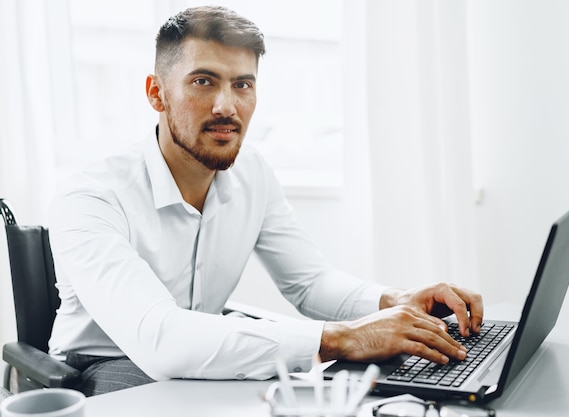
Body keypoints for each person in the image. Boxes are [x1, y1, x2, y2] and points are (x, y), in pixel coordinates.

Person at [48, 5, 483, 397]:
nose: (226, 106)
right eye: (203, 81)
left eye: (242, 85)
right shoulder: (90, 198)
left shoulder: (252, 172)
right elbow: (160, 339)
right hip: (105, 365)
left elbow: (310, 283)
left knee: (333, 395)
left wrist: (396, 300)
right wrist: (345, 336)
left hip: (195, 354)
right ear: (156, 93)